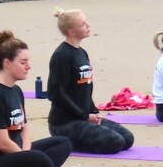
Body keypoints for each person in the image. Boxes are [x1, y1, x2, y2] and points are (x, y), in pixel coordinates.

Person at [0, 31, 83, 167]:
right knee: (38, 159)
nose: (28, 67)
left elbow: (24, 129)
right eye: (23, 62)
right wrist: (27, 158)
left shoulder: (16, 90)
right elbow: (2, 143)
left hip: (16, 154)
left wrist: (26, 154)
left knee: (63, 143)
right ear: (7, 63)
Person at [44, 9, 136, 154]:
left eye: (86, 21)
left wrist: (94, 112)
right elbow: (55, 93)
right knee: (116, 142)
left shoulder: (81, 52)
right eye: (82, 24)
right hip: (65, 123)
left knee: (127, 139)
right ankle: (68, 143)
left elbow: (85, 90)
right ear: (71, 31)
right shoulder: (61, 55)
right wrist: (84, 116)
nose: (88, 25)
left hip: (84, 116)